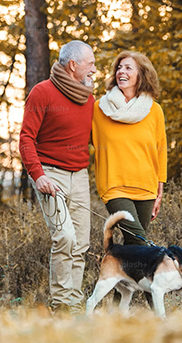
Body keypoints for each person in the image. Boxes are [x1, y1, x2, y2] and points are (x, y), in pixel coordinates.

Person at [19, 40, 96, 314]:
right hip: (50, 174)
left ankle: (73, 304)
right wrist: (38, 175)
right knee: (63, 236)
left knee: (81, 243)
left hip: (80, 176)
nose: (94, 71)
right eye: (90, 65)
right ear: (73, 65)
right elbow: (26, 138)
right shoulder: (42, 92)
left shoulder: (88, 98)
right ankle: (61, 305)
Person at [92, 51, 167, 246]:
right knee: (139, 241)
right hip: (114, 187)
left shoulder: (154, 110)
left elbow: (160, 151)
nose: (121, 72)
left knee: (133, 247)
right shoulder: (99, 109)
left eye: (127, 68)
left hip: (146, 188)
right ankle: (158, 274)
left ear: (141, 75)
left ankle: (124, 276)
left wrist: (159, 191)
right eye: (119, 67)